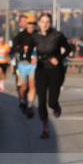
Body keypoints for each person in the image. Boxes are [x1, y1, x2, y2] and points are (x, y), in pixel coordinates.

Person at [33, 12, 72, 140]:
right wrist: (30, 58)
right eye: (42, 21)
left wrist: (58, 58)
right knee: (42, 101)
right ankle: (45, 127)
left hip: (55, 70)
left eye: (47, 22)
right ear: (39, 23)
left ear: (51, 23)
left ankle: (56, 106)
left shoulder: (58, 36)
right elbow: (27, 52)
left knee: (51, 102)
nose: (45, 24)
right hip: (40, 70)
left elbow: (68, 49)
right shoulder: (35, 37)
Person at [13, 15, 38, 113]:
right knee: (23, 87)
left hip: (34, 64)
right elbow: (14, 46)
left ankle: (30, 105)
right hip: (23, 63)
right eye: (30, 23)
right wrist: (21, 50)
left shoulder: (39, 35)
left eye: (33, 24)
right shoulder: (21, 35)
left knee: (33, 85)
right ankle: (22, 99)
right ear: (26, 24)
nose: (31, 25)